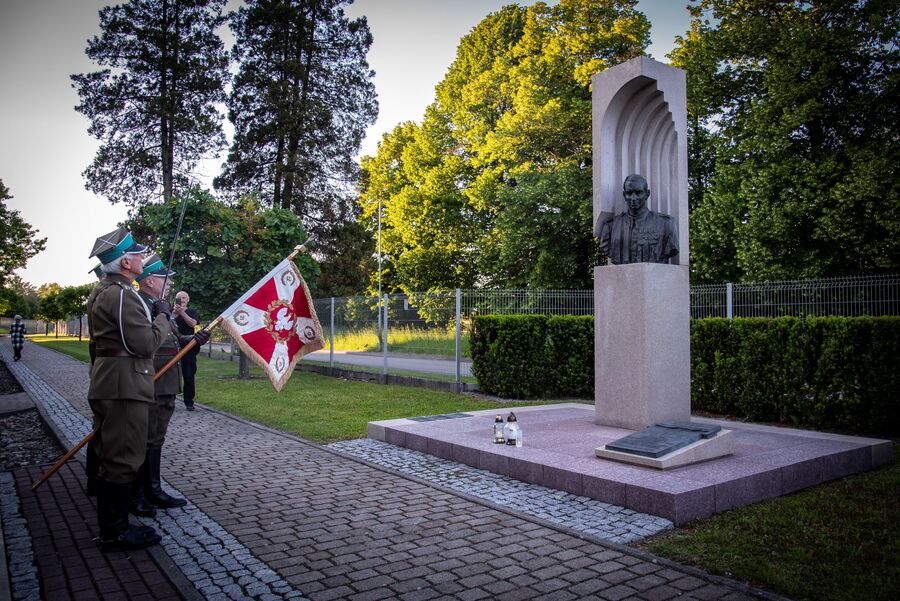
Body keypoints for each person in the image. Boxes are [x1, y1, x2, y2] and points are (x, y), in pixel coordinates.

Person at [86, 226, 169, 551]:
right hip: (124, 385)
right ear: (124, 263)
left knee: (112, 455)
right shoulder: (121, 295)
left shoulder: (107, 291)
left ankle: (114, 525)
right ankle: (115, 531)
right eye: (135, 254)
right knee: (123, 457)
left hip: (112, 380)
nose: (140, 258)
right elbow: (144, 344)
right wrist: (161, 318)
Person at [135, 255, 209, 514]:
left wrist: (196, 339)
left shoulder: (157, 305)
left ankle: (152, 488)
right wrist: (164, 314)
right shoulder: (143, 305)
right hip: (152, 380)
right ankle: (141, 492)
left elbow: (177, 339)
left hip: (166, 383)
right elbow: (148, 342)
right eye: (165, 280)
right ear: (148, 280)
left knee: (156, 437)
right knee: (146, 437)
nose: (170, 286)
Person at [598, 174, 679, 265]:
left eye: (638, 192)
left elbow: (671, 249)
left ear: (647, 194)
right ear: (624, 195)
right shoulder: (611, 227)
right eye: (629, 193)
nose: (633, 198)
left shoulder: (666, 224)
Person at [173, 291, 201, 410]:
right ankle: (170, 400)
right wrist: (175, 313)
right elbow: (165, 323)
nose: (182, 300)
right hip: (172, 347)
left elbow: (192, 324)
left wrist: (182, 313)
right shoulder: (170, 311)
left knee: (189, 375)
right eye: (179, 298)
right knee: (171, 376)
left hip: (188, 348)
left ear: (188, 299)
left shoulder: (192, 312)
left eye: (184, 298)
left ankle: (189, 402)